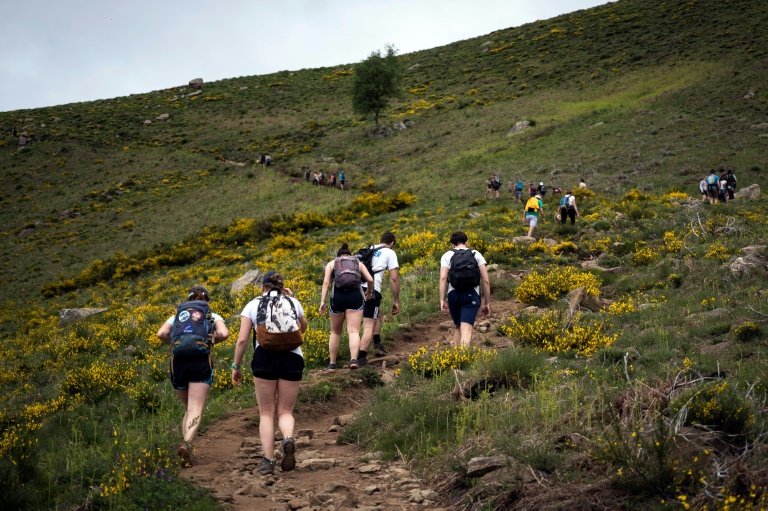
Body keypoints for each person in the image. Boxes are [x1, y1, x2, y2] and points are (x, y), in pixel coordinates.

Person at [231, 271, 308, 476]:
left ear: (262, 287)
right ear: (283, 287)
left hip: (265, 357)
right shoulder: (293, 302)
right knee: (285, 411)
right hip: (292, 358)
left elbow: (242, 340)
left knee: (266, 412)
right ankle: (288, 438)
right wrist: (290, 299)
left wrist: (236, 367)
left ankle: (268, 460)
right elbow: (304, 327)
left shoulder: (253, 304)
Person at [157, 285, 229, 465]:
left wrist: (173, 345)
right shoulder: (211, 315)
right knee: (195, 408)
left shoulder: (177, 316)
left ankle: (186, 447)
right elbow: (224, 333)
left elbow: (161, 333)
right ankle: (187, 444)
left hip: (178, 363)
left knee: (188, 408)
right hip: (200, 361)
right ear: (208, 301)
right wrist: (210, 342)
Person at [320, 244, 374, 370]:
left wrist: (322, 301)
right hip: (355, 296)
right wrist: (369, 292)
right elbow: (370, 280)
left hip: (338, 297)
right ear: (350, 255)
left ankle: (332, 363)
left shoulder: (332, 263)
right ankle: (354, 360)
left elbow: (326, 283)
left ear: (339, 255)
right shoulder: (358, 263)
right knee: (354, 331)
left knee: (335, 332)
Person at [439, 231, 490, 348]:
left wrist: (442, 300)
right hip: (471, 294)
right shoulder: (476, 254)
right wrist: (487, 303)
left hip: (453, 295)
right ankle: (462, 363)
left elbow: (443, 278)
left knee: (458, 327)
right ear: (467, 241)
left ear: (452, 244)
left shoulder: (447, 255)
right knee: (466, 329)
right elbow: (486, 280)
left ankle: (456, 360)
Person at [358, 232, 400, 365]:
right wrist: (396, 300)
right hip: (371, 290)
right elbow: (394, 278)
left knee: (377, 312)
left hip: (355, 289)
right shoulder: (389, 252)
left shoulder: (368, 248)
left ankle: (377, 344)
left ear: (379, 240)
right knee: (369, 324)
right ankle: (361, 358)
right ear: (392, 242)